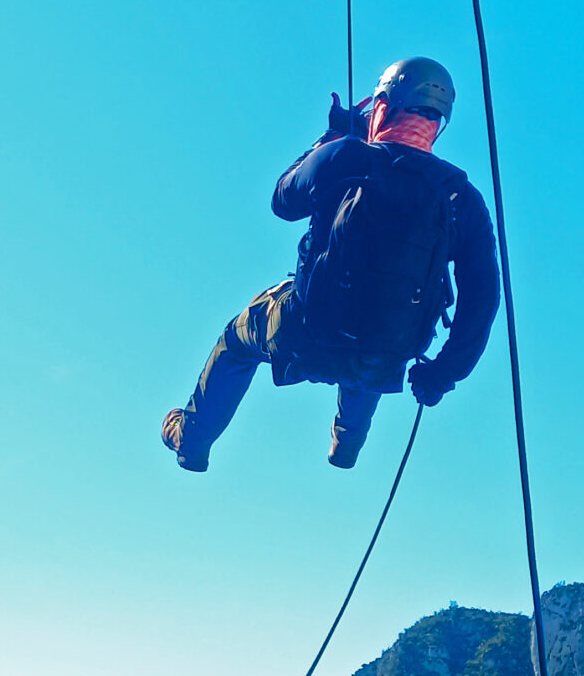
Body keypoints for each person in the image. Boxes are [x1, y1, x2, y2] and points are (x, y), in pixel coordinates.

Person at [161, 55, 501, 472]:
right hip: (386, 357)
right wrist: (443, 373)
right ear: (439, 122)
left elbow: (282, 200)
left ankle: (190, 441)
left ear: (382, 106)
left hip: (305, 332)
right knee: (381, 337)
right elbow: (482, 296)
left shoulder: (345, 155)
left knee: (235, 342)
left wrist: (333, 134)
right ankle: (347, 444)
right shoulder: (461, 197)